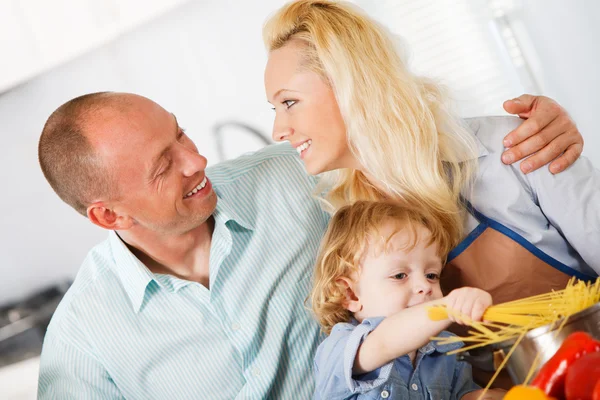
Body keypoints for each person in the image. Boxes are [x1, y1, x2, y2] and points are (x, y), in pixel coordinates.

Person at [36, 25, 584, 400]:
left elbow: (384, 128)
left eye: (180, 133)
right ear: (109, 217)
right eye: (164, 165)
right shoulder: (85, 335)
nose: (197, 159)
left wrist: (538, 125)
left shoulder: (289, 177)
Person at [264, 0, 599, 339]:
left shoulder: (515, 146)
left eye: (289, 102)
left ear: (351, 86)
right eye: (275, 108)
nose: (278, 131)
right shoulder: (349, 227)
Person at [310, 201, 503, 399]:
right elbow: (384, 341)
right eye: (400, 275)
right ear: (350, 294)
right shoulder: (340, 346)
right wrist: (448, 306)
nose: (425, 286)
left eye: (432, 275)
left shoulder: (448, 346)